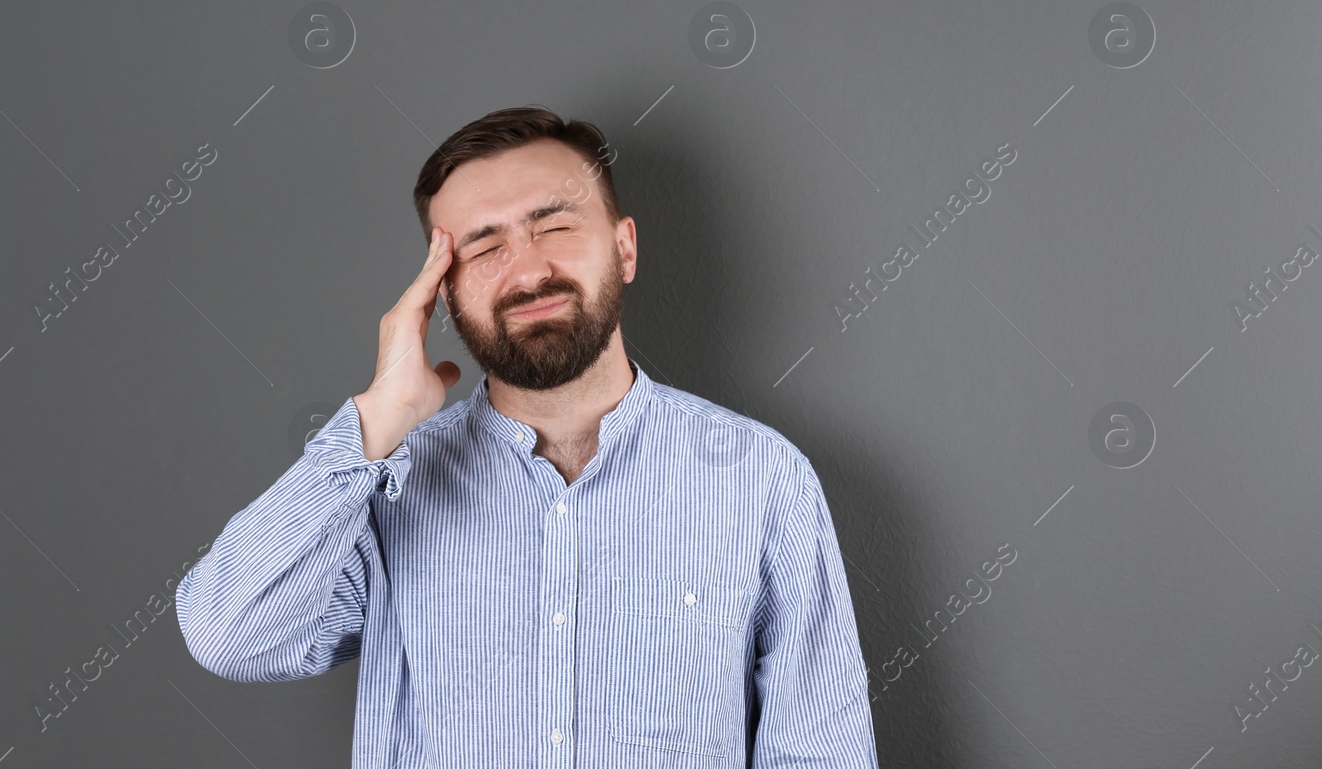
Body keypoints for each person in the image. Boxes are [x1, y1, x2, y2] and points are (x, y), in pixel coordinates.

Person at [176, 105, 880, 767]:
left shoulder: (761, 476)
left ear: (624, 247)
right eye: (484, 244)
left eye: (555, 224)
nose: (529, 268)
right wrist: (375, 420)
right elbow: (229, 632)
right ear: (444, 291)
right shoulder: (391, 481)